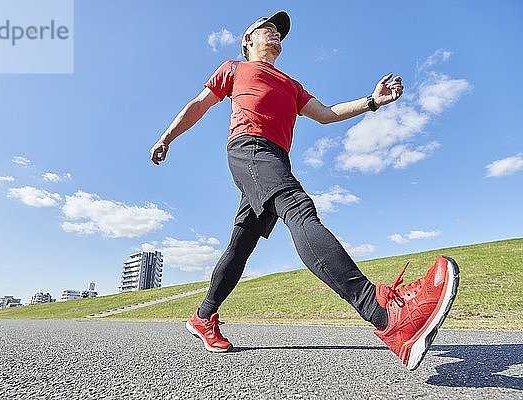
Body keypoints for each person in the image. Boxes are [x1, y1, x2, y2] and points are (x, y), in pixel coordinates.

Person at [150, 11, 459, 371]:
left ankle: (203, 317)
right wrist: (166, 138)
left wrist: (372, 101)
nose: (277, 34)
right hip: (249, 149)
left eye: (280, 32)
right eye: (269, 29)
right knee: (297, 208)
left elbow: (327, 113)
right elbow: (198, 105)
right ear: (248, 39)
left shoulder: (291, 84)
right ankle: (386, 317)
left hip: (275, 159)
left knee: (241, 245)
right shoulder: (234, 68)